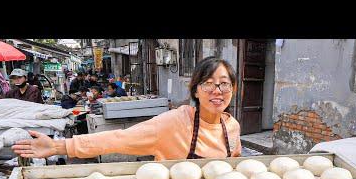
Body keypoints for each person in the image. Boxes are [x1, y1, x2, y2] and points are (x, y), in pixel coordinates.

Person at [12, 56, 242, 161]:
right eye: (208, 84)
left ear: (233, 89)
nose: (217, 91)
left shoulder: (232, 127)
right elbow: (118, 139)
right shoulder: (174, 122)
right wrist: (58, 146)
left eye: (224, 83)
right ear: (195, 90)